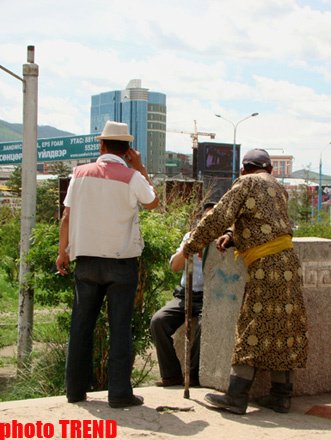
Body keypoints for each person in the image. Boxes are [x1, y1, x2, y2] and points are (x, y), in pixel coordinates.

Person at [183, 149, 308, 415]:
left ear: (242, 169)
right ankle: (281, 398)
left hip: (266, 267)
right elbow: (261, 222)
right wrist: (232, 234)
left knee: (251, 328)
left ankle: (237, 397)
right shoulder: (279, 188)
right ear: (271, 170)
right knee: (283, 328)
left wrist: (192, 244)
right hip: (288, 264)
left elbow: (219, 215)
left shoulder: (246, 182)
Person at [56, 120, 158, 408]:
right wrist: (140, 168)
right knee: (120, 328)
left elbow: (67, 217)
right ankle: (119, 394)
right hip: (121, 263)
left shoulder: (80, 174)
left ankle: (75, 392)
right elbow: (152, 204)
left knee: (81, 326)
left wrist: (62, 252)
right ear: (128, 150)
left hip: (86, 261)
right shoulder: (131, 176)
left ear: (101, 146)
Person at [150, 202, 216, 387]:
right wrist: (188, 247)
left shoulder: (222, 241)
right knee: (158, 321)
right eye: (205, 219)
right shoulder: (190, 236)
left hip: (210, 297)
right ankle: (171, 374)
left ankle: (193, 374)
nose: (208, 223)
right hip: (185, 294)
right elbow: (175, 266)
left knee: (204, 326)